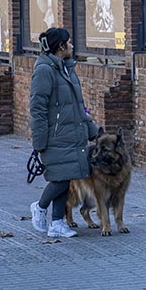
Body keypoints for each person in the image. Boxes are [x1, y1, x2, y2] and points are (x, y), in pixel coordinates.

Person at [28, 28, 100, 238]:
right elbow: (38, 108)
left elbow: (79, 105)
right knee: (59, 179)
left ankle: (57, 223)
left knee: (67, 176)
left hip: (73, 133)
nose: (72, 46)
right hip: (56, 136)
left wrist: (92, 131)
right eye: (69, 42)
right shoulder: (44, 70)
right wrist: (39, 141)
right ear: (61, 46)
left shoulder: (67, 68)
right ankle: (40, 206)